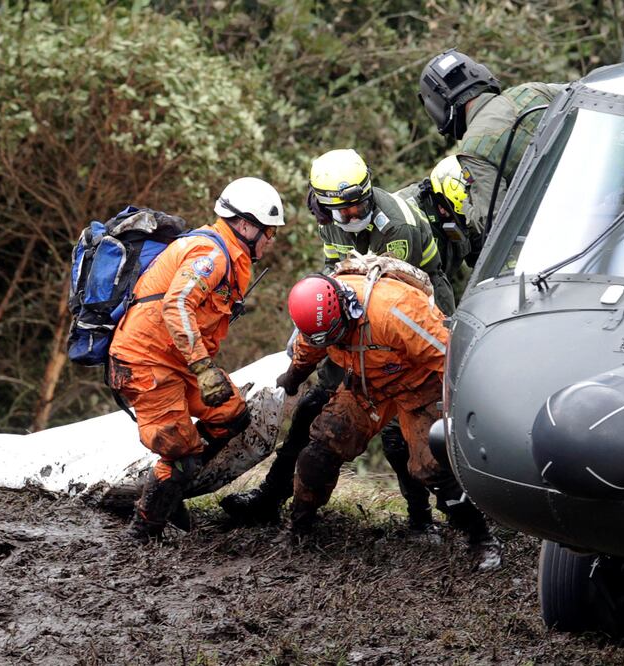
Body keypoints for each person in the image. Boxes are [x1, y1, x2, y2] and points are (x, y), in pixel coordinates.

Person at [220, 148, 455, 530]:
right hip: (355, 309)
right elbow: (337, 269)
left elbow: (394, 301)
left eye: (356, 207)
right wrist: (313, 320)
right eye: (340, 211)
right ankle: (273, 495)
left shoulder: (398, 229)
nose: (350, 216)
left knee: (400, 431)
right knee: (312, 409)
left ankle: (422, 517)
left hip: (409, 314)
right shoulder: (329, 217)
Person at [277, 269, 501, 570]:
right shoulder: (318, 324)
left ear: (345, 309)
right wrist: (292, 378)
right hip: (367, 384)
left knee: (430, 466)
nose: (334, 342)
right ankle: (299, 528)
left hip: (419, 385)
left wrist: (470, 406)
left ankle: (481, 539)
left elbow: (451, 358)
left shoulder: (396, 311)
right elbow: (308, 351)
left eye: (336, 334)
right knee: (320, 450)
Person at [108, 177, 285, 543]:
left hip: (179, 361)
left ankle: (171, 488)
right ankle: (143, 532)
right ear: (246, 225)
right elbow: (177, 305)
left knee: (231, 415)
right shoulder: (212, 254)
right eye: (268, 232)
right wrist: (204, 368)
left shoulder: (230, 255)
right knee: (181, 454)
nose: (271, 239)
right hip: (146, 363)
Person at [419, 49, 566, 237]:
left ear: (437, 107)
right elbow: (593, 92)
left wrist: (462, 204)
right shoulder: (532, 90)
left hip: (566, 221)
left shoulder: (473, 149)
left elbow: (494, 224)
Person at [396, 154, 478, 280]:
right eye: (458, 216)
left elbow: (481, 253)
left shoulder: (468, 214)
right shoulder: (405, 215)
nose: (466, 222)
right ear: (442, 205)